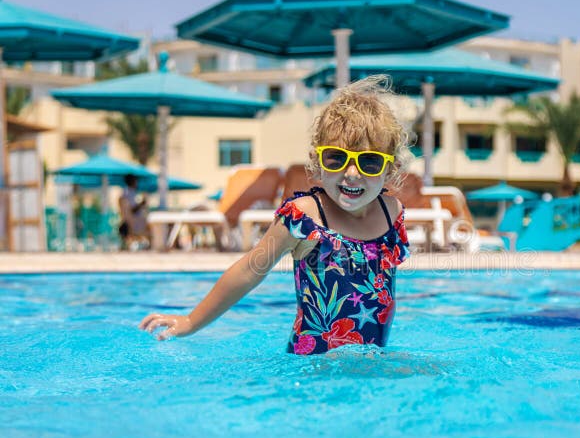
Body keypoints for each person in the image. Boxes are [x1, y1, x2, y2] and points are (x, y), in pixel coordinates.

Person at [139, 76, 412, 355]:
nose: (351, 173)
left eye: (369, 161)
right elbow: (248, 271)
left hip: (372, 363)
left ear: (390, 170)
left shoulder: (391, 213)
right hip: (312, 367)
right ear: (317, 162)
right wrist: (190, 321)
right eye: (336, 158)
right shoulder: (305, 218)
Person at [118, 174, 150, 249]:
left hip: (130, 222)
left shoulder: (125, 192)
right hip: (136, 223)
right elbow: (133, 210)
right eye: (136, 181)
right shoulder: (129, 193)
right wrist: (142, 204)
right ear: (132, 181)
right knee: (154, 224)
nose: (137, 183)